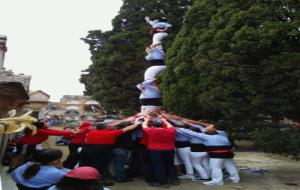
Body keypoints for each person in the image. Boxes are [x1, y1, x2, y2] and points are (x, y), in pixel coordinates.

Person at [79, 121, 142, 186]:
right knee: (100, 167)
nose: (112, 126)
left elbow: (86, 140)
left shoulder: (92, 132)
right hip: (101, 151)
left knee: (86, 165)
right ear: (106, 128)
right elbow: (128, 128)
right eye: (109, 126)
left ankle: (82, 180)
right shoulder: (112, 133)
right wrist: (138, 123)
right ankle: (98, 182)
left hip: (86, 150)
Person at [9, 120, 75, 173]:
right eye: (44, 123)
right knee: (19, 155)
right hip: (25, 144)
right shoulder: (39, 130)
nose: (46, 123)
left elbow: (54, 131)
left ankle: (18, 168)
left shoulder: (42, 130)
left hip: (31, 144)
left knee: (26, 156)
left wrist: (70, 132)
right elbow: (56, 132)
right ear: (41, 125)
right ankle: (13, 168)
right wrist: (71, 132)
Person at [142, 115, 178, 187]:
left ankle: (163, 182)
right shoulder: (171, 130)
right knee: (171, 164)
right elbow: (169, 125)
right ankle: (173, 180)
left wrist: (147, 119)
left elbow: (144, 125)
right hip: (170, 150)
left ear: (153, 126)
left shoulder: (152, 130)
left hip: (156, 151)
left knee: (158, 166)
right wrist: (163, 119)